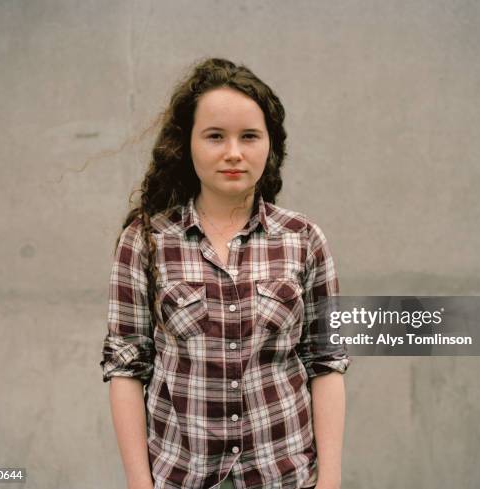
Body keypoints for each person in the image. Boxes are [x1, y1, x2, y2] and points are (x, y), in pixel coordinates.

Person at [100, 57, 350, 489]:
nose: (233, 152)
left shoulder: (303, 239)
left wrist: (329, 482)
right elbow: (126, 367)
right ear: (187, 144)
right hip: (181, 475)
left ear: (270, 144)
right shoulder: (146, 242)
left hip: (284, 476)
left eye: (249, 136)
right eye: (215, 136)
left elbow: (326, 363)